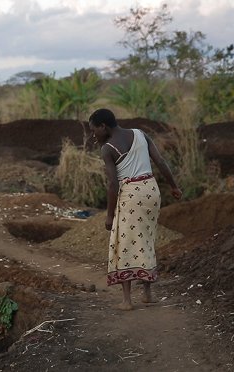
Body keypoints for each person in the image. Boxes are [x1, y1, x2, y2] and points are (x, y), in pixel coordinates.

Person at [88, 108, 182, 311]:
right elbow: (160, 161)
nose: (93, 134)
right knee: (146, 240)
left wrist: (110, 215)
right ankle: (148, 294)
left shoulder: (107, 149)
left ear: (103, 126)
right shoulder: (141, 134)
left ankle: (127, 300)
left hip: (131, 195)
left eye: (94, 129)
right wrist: (173, 186)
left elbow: (113, 184)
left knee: (124, 243)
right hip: (151, 191)